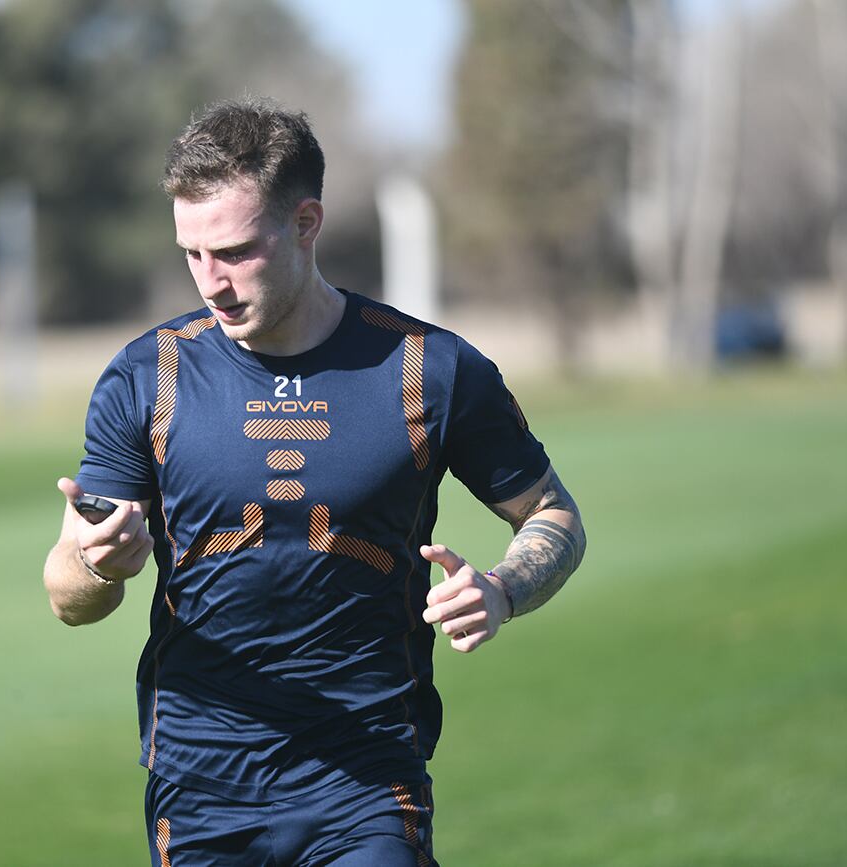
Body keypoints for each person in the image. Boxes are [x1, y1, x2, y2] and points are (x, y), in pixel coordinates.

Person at [43, 97, 586, 866]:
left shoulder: (429, 368)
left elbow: (554, 515)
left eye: (233, 251)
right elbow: (67, 594)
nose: (211, 282)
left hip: (367, 784)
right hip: (200, 790)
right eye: (191, 254)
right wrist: (97, 562)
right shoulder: (147, 377)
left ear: (306, 224)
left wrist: (500, 589)